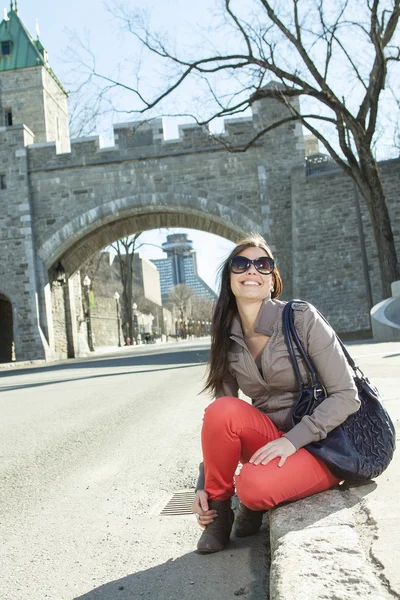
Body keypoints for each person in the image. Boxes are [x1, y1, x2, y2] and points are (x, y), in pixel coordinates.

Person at [192, 233, 359, 553]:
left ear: (272, 281)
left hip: (321, 445)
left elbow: (346, 394)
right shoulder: (227, 335)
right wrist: (206, 482)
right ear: (230, 280)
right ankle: (219, 517)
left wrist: (293, 439)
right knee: (220, 410)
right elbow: (221, 422)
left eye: (262, 264)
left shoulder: (301, 318)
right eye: (240, 264)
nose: (251, 270)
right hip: (268, 440)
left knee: (252, 486)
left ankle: (253, 503)